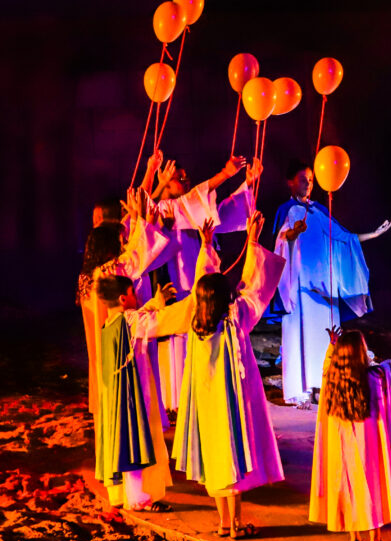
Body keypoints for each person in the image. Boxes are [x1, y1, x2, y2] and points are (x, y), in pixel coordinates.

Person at [143, 213, 286, 539]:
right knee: (232, 461)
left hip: (206, 406)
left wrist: (207, 246)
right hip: (232, 405)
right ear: (226, 297)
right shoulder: (237, 318)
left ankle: (224, 523)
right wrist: (252, 242)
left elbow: (186, 299)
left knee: (216, 464)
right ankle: (233, 524)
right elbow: (256, 287)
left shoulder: (193, 316)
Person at [144, 152, 263, 413]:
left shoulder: (190, 212)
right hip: (179, 291)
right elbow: (145, 214)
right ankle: (177, 400)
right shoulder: (165, 210)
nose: (184, 182)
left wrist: (248, 183)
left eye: (186, 178)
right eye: (178, 179)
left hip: (204, 295)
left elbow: (226, 211)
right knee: (178, 341)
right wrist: (224, 173)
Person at [274, 161, 391, 406]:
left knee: (326, 335)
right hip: (301, 287)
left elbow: (345, 238)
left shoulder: (319, 211)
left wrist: (374, 234)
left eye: (310, 179)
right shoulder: (287, 210)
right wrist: (294, 232)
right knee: (300, 335)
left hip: (324, 288)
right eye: (302, 179)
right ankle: (301, 389)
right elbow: (281, 240)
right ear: (290, 182)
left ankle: (326, 382)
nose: (308, 184)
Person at [309, 324, 391, 541]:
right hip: (370, 449)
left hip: (342, 451)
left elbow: (327, 367)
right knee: (372, 488)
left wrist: (333, 347)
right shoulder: (376, 377)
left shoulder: (333, 381)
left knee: (348, 488)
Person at [77, 188, 171, 418]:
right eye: (119, 239)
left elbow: (134, 250)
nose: (123, 242)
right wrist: (143, 219)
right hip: (119, 346)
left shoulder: (90, 274)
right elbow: (139, 254)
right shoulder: (112, 270)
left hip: (101, 346)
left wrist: (140, 219)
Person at [93, 275, 175, 512]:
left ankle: (123, 495)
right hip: (133, 393)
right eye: (132, 294)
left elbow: (140, 318)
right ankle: (140, 499)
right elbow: (156, 322)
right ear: (122, 298)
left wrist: (155, 301)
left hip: (115, 397)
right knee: (137, 439)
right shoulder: (128, 321)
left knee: (123, 440)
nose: (136, 298)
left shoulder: (109, 323)